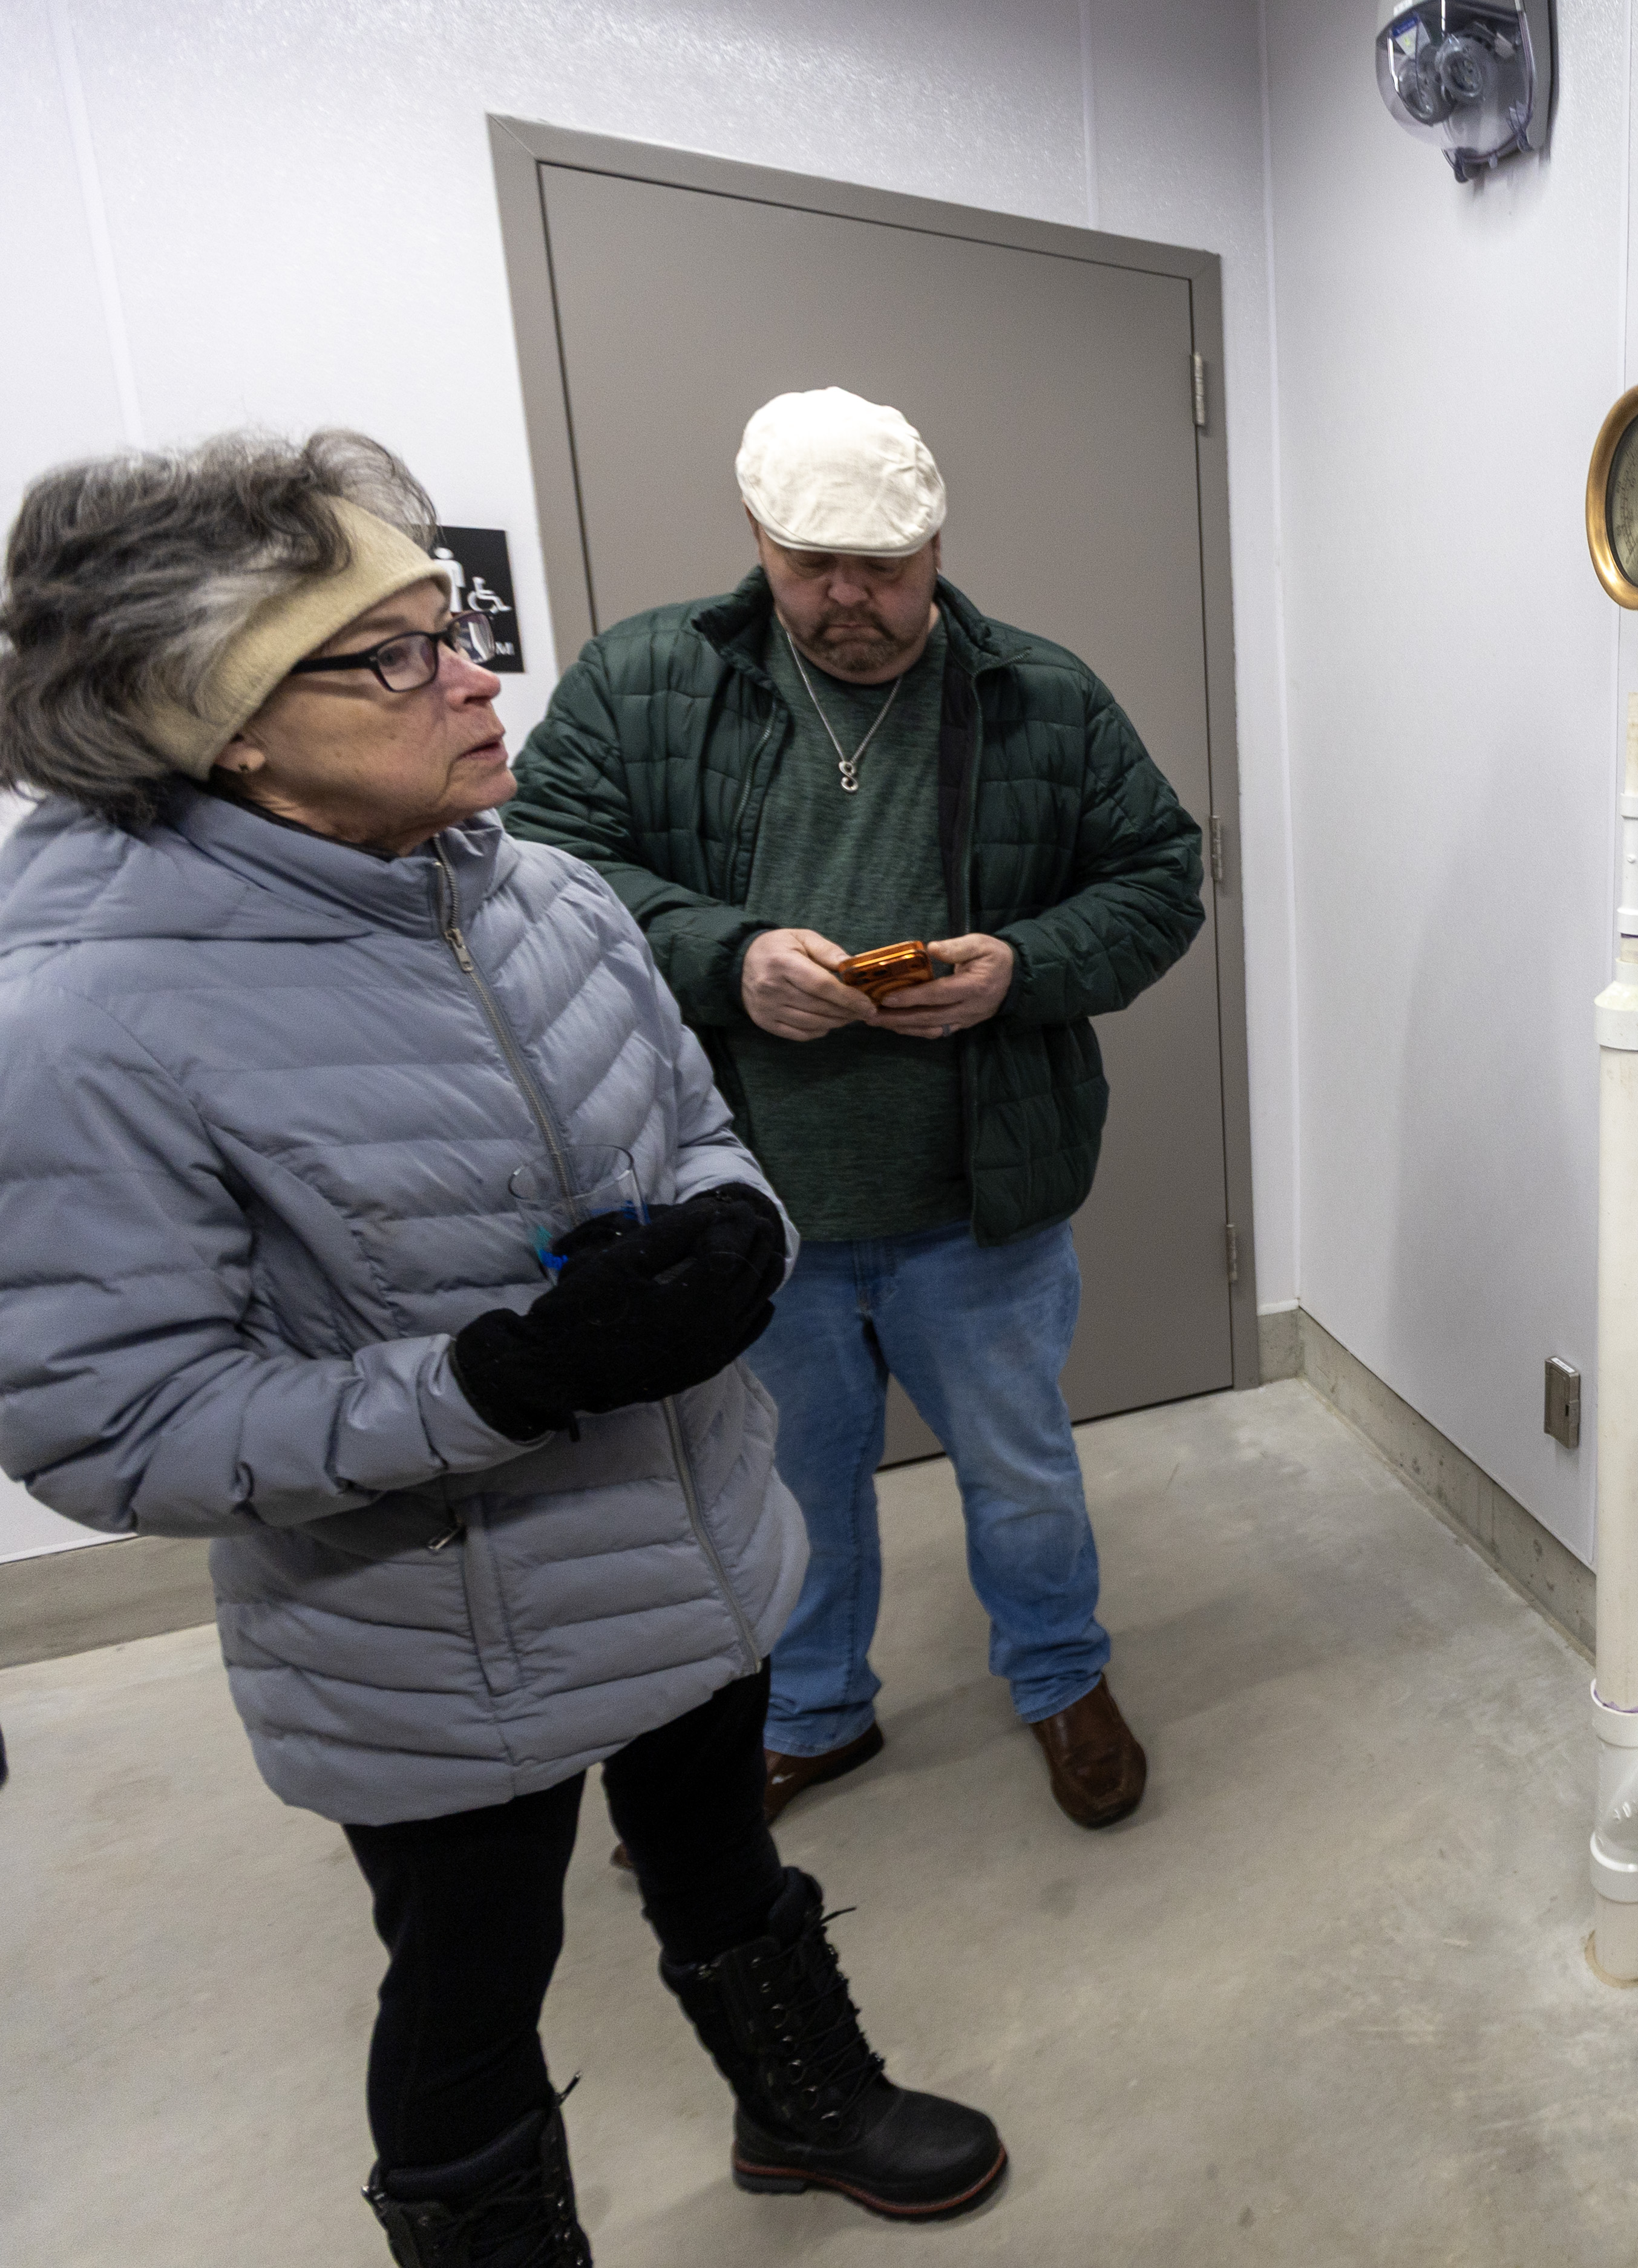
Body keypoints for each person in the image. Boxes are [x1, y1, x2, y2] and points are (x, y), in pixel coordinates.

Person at [0, 433, 1008, 2263]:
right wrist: (497, 1381)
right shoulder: (84, 1017)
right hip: (428, 1630)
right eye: (391, 654)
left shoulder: (529, 885)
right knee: (472, 1974)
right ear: (216, 720)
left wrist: (735, 1230)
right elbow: (113, 1418)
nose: (474, 673)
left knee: (725, 1858)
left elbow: (696, 1125)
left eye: (447, 621)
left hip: (685, 1532)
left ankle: (802, 2105)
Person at [509, 389, 1205, 1848]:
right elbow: (543, 873)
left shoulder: (1039, 693)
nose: (853, 602)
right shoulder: (647, 679)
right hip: (747, 1208)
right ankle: (818, 1709)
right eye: (815, 565)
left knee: (1023, 1474)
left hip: (980, 1200)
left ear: (936, 543)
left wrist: (1024, 968)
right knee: (794, 1482)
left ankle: (1061, 1676)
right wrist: (728, 957)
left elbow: (1157, 878)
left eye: (886, 569)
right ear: (755, 539)